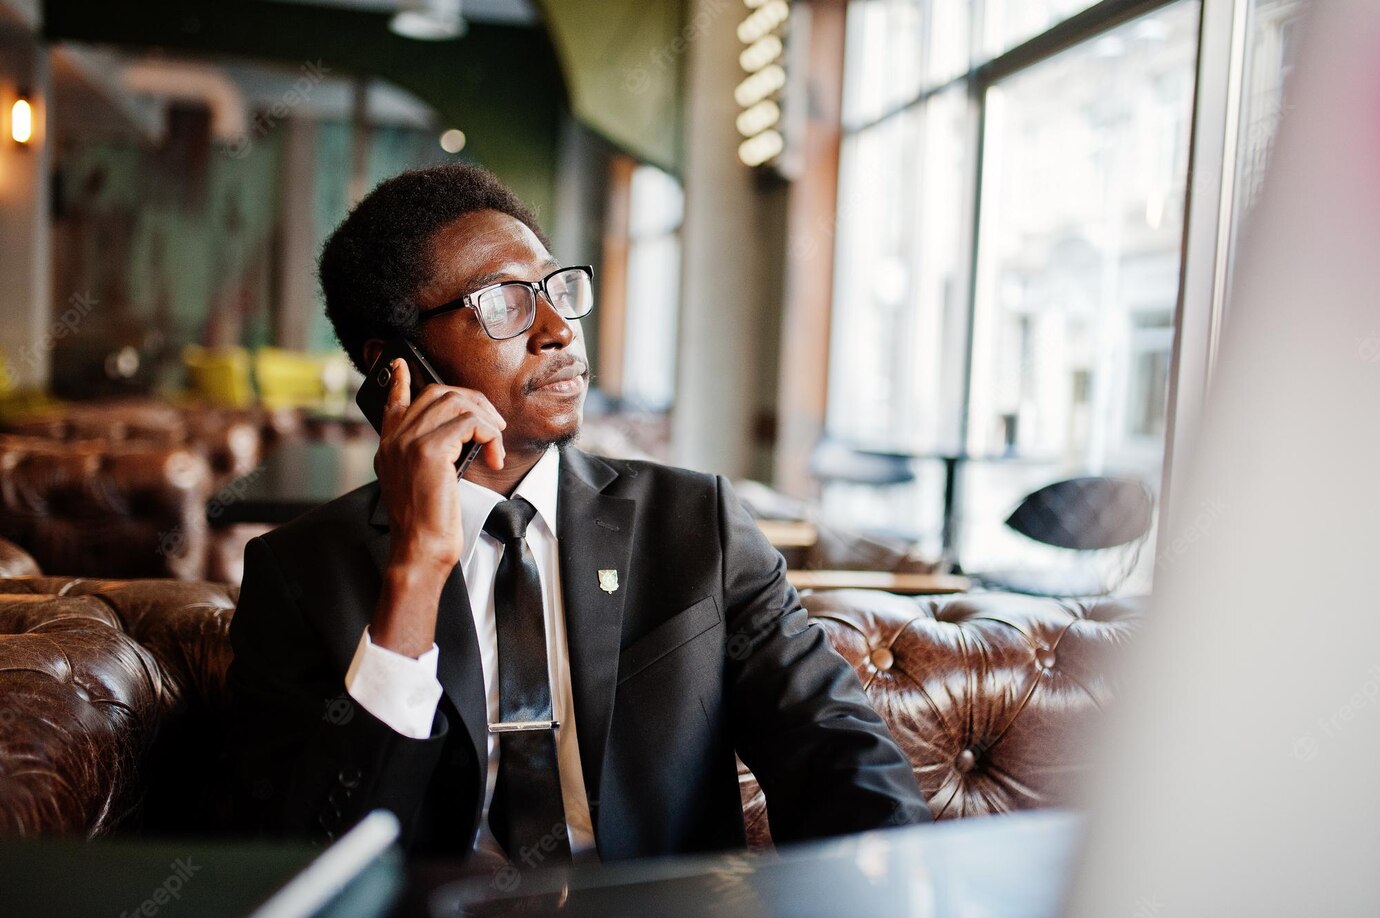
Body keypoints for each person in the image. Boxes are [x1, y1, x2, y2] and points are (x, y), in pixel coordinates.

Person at [227, 163, 929, 868]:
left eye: (555, 290)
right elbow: (299, 853)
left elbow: (837, 751)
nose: (559, 330)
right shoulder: (299, 572)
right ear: (394, 367)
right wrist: (414, 572)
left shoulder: (695, 524)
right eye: (503, 302)